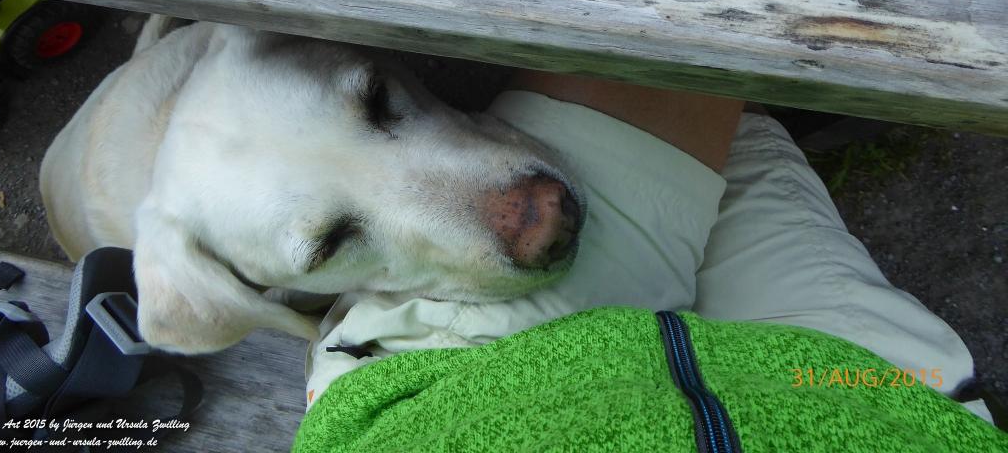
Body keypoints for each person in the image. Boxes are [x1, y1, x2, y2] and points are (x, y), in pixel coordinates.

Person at [293, 72, 1006, 452]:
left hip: (443, 392)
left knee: (690, 80)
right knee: (717, 86)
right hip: (862, 392)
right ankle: (761, 108)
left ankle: (759, 107)